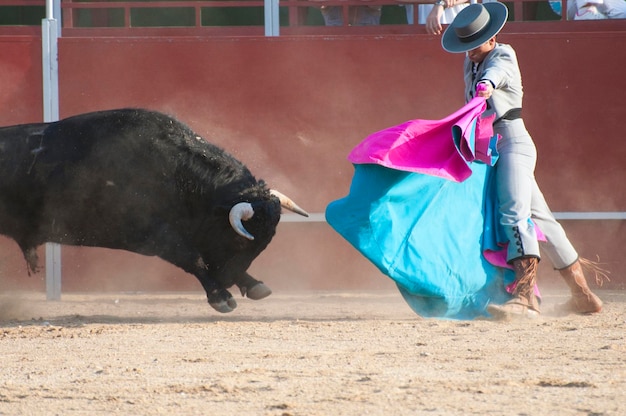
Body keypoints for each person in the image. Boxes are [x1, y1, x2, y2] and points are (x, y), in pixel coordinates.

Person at [440, 2, 605, 319]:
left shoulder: (503, 54)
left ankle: (527, 297)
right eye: (467, 46)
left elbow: (495, 75)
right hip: (491, 144)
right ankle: (582, 295)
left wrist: (486, 85)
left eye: (475, 45)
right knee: (541, 219)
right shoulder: (470, 62)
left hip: (512, 140)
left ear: (493, 36)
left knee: (513, 213)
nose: (471, 51)